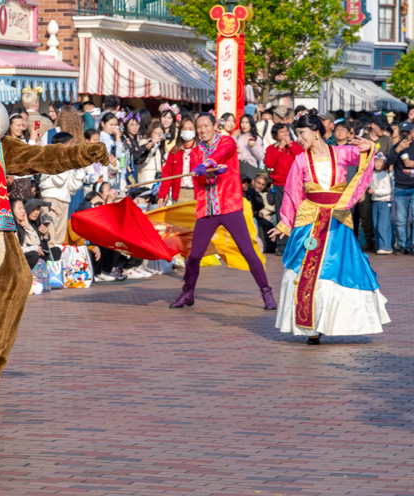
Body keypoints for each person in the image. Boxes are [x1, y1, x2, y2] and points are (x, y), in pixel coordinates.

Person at [270, 112, 389, 344]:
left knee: (336, 270)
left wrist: (370, 146)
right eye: (297, 134)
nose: (299, 138)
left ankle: (330, 322)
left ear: (316, 132)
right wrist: (284, 223)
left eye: (302, 133)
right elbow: (292, 194)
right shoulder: (300, 160)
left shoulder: (341, 153)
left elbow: (365, 155)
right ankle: (311, 327)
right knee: (304, 271)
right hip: (309, 223)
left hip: (336, 222)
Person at [170, 113, 275, 311]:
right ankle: (188, 292)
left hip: (229, 207)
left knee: (247, 251)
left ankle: (266, 292)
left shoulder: (226, 141)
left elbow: (222, 154)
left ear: (214, 125)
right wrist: (203, 173)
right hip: (207, 209)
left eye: (205, 126)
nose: (202, 130)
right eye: (198, 127)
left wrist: (208, 164)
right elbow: (199, 179)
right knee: (194, 256)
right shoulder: (194, 153)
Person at [159, 117, 200, 204]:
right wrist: (162, 195)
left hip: (196, 193)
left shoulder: (201, 150)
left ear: (195, 131)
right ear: (180, 131)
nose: (187, 131)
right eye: (184, 129)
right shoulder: (175, 151)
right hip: (179, 193)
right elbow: (167, 174)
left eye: (190, 129)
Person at [384, 129, 413, 253]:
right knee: (400, 219)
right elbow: (388, 162)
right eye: (404, 132)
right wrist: (398, 149)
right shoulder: (397, 146)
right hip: (400, 186)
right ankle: (402, 245)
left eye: (410, 131)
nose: (407, 135)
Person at [369, 153, 393, 254]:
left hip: (384, 202)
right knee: (376, 224)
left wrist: (376, 192)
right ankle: (380, 246)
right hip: (375, 202)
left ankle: (386, 246)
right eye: (376, 161)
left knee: (382, 225)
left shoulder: (386, 175)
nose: (378, 164)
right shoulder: (372, 174)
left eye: (380, 162)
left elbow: (388, 190)